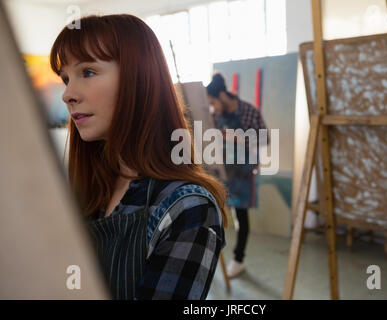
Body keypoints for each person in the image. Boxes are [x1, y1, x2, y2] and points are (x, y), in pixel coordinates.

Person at [50, 14, 227, 300]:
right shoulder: (90, 188)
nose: (67, 94)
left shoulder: (187, 208)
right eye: (66, 78)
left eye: (88, 72)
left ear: (139, 79)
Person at [206, 73, 268, 278]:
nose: (213, 107)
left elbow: (265, 138)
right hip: (223, 172)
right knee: (214, 214)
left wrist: (234, 137)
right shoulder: (216, 116)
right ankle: (211, 257)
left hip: (243, 172)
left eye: (214, 102)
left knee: (241, 216)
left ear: (222, 95)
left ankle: (238, 260)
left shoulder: (249, 111)